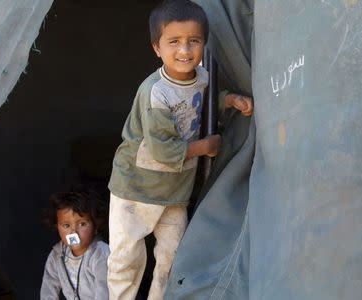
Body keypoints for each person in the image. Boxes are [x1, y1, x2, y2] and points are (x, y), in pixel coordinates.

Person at [106, 0, 253, 299]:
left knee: (172, 259)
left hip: (175, 190)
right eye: (174, 42)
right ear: (157, 48)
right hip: (135, 188)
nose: (185, 51)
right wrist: (206, 146)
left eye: (193, 41)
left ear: (204, 44)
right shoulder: (155, 92)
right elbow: (162, 150)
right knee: (126, 260)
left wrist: (229, 101)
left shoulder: (202, 78)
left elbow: (201, 105)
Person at [40, 186, 110, 300]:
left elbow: (105, 292)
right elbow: (48, 289)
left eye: (82, 224)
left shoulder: (100, 253)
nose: (74, 231)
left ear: (96, 226)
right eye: (66, 225)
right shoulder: (56, 255)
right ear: (57, 227)